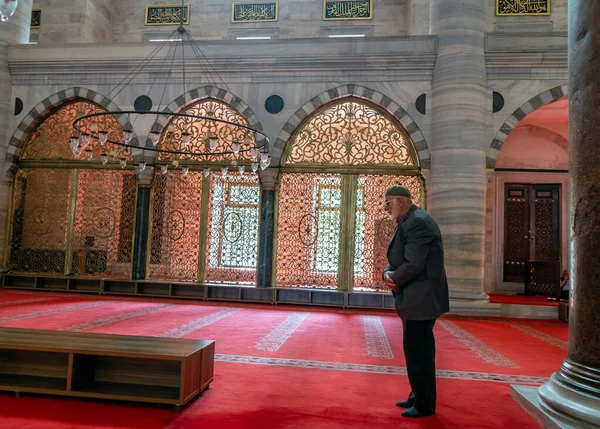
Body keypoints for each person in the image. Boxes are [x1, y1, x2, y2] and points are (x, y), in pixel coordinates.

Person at [382, 184, 450, 418]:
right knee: (415, 351)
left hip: (420, 298)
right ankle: (417, 395)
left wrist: (394, 279)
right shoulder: (409, 221)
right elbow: (399, 258)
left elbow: (413, 265)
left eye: (387, 202)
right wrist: (387, 273)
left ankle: (424, 404)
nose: (386, 208)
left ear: (400, 201)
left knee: (419, 352)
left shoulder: (418, 222)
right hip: (415, 298)